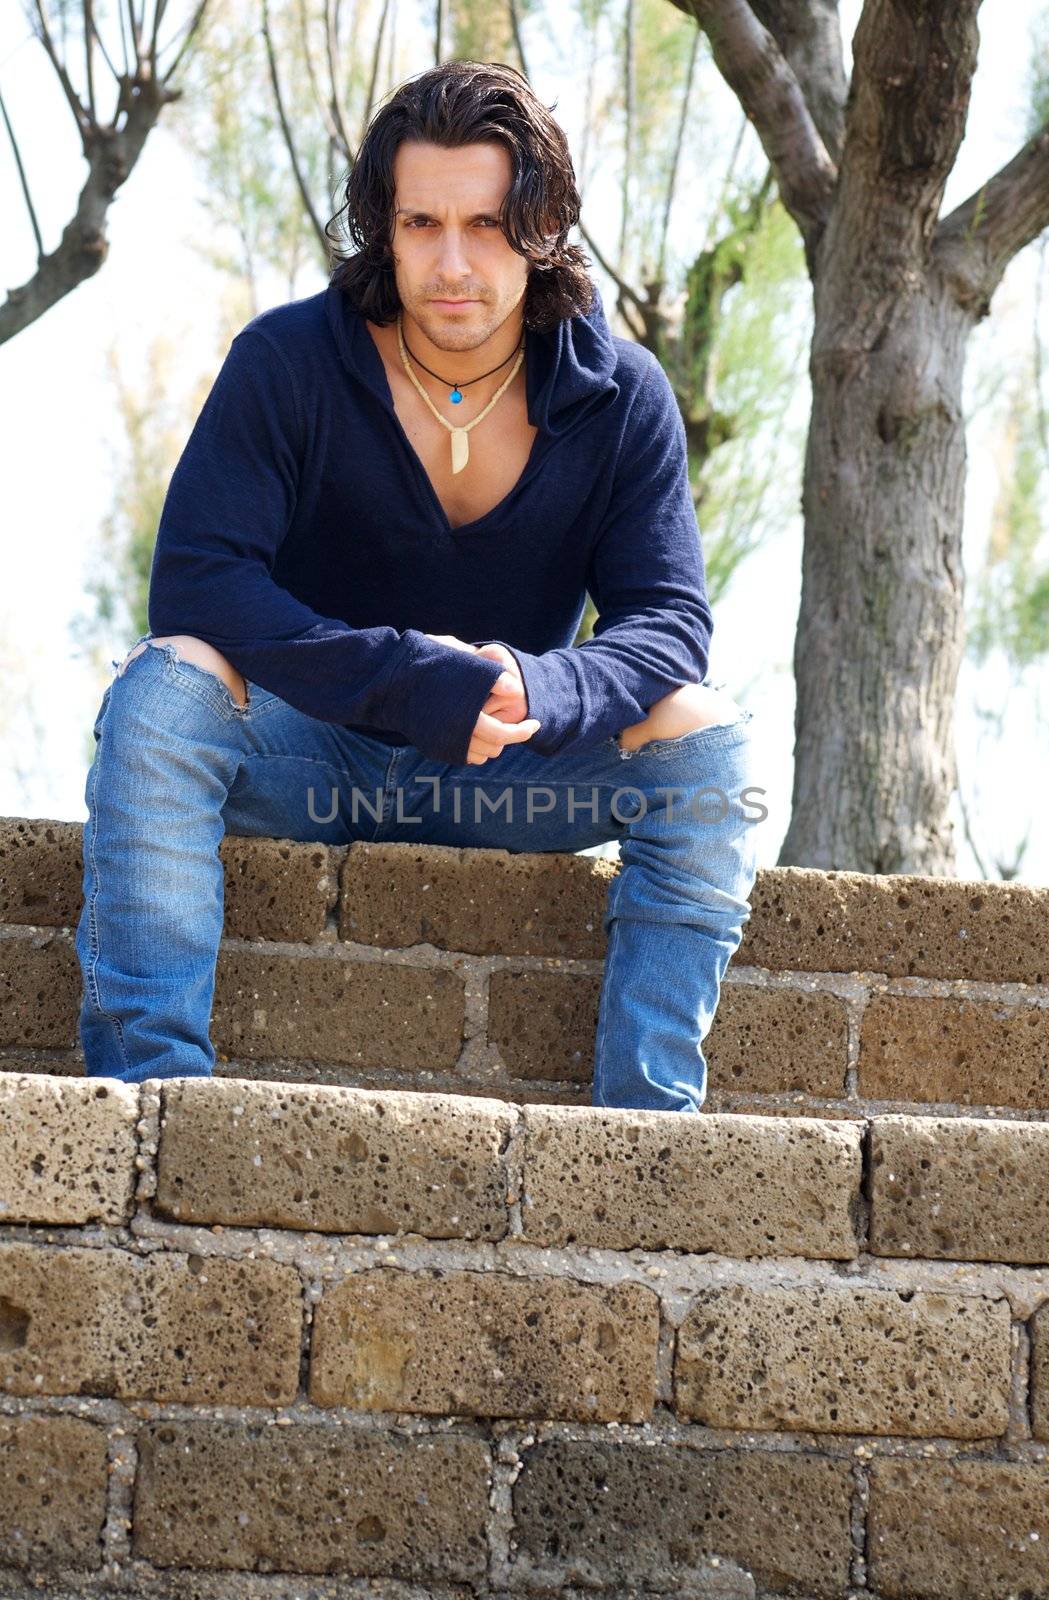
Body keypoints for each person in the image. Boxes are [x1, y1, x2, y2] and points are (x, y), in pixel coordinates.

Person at [75, 59, 762, 1112]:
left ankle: (647, 1131)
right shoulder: (289, 362)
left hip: (512, 768)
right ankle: (150, 1101)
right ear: (381, 232)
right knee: (165, 687)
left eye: (486, 227)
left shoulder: (619, 395)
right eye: (419, 226)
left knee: (704, 738)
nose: (451, 264)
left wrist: (543, 688)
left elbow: (667, 621)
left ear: (542, 229)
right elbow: (201, 582)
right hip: (311, 754)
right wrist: (404, 680)